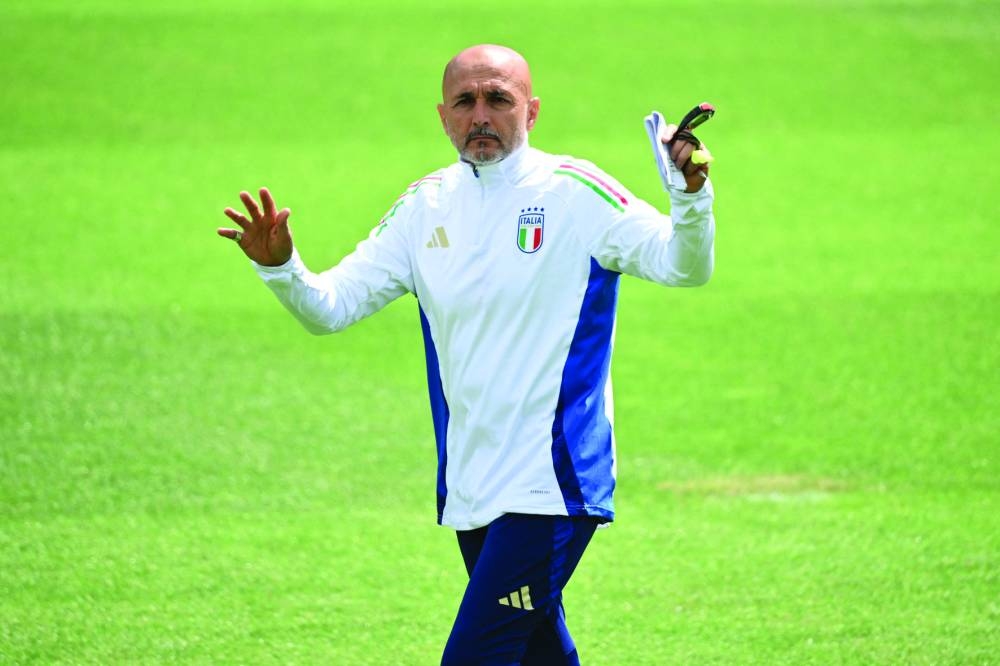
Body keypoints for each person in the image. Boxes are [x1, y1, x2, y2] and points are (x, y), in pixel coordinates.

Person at [218, 44, 714, 666]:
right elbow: (331, 307)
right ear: (443, 116)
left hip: (552, 485)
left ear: (531, 111)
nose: (481, 114)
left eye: (499, 99)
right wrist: (282, 268)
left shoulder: (576, 193)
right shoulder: (423, 207)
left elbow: (682, 266)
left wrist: (690, 199)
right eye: (465, 101)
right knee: (537, 657)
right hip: (472, 488)